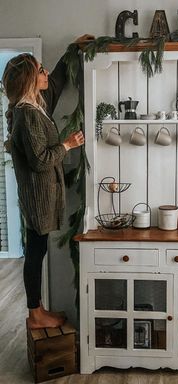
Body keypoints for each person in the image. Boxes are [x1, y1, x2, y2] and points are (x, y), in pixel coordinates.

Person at [1, 34, 94, 329]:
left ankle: (37, 310)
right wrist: (67, 145)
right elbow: (41, 160)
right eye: (39, 71)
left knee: (36, 249)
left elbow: (55, 82)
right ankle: (35, 313)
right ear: (30, 79)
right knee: (35, 251)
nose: (44, 74)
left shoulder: (34, 105)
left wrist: (71, 49)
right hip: (38, 195)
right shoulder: (27, 114)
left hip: (37, 194)